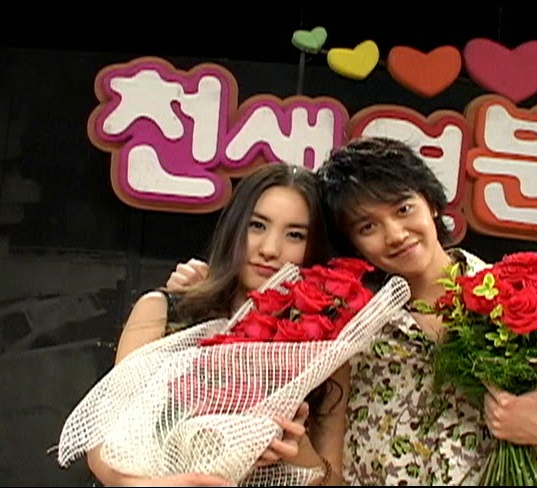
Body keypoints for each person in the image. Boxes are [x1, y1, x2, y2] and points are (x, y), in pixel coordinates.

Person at [168, 137, 537, 486]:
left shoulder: (525, 292)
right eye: (368, 226)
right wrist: (206, 285)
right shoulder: (347, 324)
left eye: (404, 208)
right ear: (352, 243)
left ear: (431, 204)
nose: (395, 234)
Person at [87, 163, 346, 487]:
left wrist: (300, 454)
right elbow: (102, 445)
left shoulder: (325, 348)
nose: (269, 249)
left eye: (295, 235)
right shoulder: (165, 312)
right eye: (256, 225)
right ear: (234, 227)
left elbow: (334, 480)